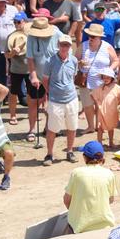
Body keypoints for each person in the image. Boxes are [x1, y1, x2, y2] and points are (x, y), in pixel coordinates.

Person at [42, 34, 80, 166]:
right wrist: (50, 93)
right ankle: (49, 154)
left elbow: (72, 78)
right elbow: (45, 80)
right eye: (62, 44)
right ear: (58, 45)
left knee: (72, 127)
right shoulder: (50, 61)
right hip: (55, 100)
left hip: (71, 99)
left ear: (70, 46)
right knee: (52, 129)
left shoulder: (74, 61)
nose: (65, 47)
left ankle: (69, 151)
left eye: (67, 45)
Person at [63, 140, 115, 234]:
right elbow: (110, 200)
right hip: (105, 226)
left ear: (84, 157)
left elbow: (67, 200)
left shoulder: (77, 173)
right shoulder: (109, 173)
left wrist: (76, 211)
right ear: (102, 157)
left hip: (80, 227)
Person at [80, 23, 119, 133]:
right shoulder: (83, 45)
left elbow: (116, 60)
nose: (90, 38)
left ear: (99, 38)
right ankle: (90, 126)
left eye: (93, 37)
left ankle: (99, 125)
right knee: (87, 105)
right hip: (85, 80)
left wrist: (108, 71)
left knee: (99, 104)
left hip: (101, 81)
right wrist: (80, 63)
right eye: (89, 36)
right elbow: (74, 60)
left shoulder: (107, 46)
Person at [91, 68, 120, 148]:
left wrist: (118, 105)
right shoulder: (99, 87)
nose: (106, 79)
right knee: (100, 128)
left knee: (111, 127)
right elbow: (93, 95)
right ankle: (99, 143)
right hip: (101, 111)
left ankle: (111, 142)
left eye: (108, 77)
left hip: (112, 111)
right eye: (104, 77)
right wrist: (97, 104)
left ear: (112, 78)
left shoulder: (117, 88)